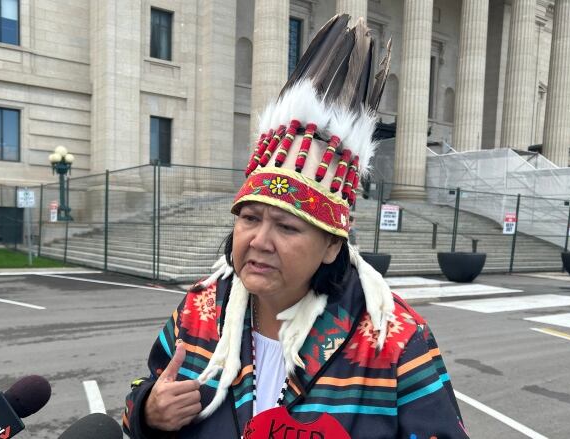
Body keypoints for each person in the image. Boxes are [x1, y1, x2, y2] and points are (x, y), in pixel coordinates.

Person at [122, 14, 468, 439]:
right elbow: (143, 390)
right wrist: (148, 411)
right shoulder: (198, 313)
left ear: (331, 245)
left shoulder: (393, 341)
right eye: (250, 218)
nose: (259, 241)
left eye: (287, 227)